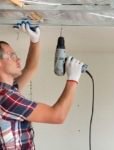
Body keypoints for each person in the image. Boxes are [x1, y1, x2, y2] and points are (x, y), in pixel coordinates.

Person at [0, 22, 83, 150]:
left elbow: (30, 69)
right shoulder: (6, 97)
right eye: (12, 55)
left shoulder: (6, 91)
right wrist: (73, 80)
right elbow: (57, 116)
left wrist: (35, 40)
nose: (18, 59)